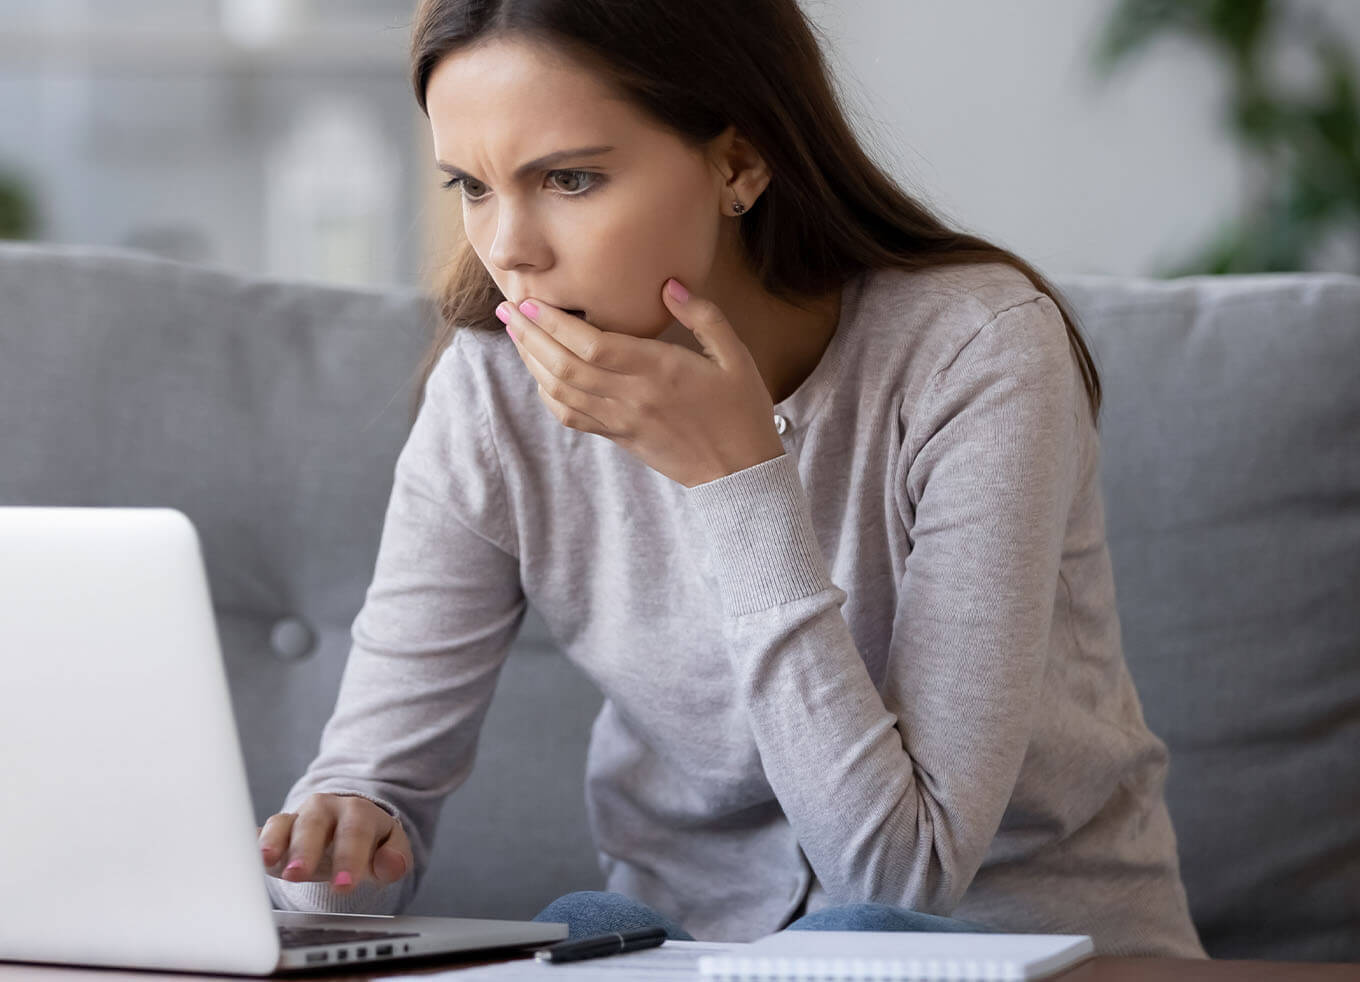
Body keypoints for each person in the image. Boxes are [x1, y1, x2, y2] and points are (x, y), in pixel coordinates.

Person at [254, 0, 1208, 960]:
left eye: (570, 179)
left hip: (1018, 944)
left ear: (739, 164)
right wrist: (341, 841)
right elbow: (367, 807)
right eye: (472, 185)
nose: (508, 250)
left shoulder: (978, 354)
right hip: (694, 951)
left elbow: (899, 878)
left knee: (862, 932)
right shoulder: (493, 389)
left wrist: (738, 481)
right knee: (582, 928)